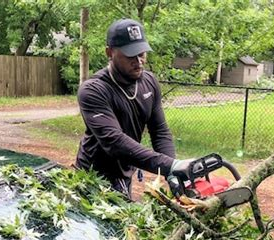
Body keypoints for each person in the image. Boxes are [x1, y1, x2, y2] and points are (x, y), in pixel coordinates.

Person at [75, 18, 193, 199]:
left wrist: (171, 172)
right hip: (92, 179)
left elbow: (159, 131)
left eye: (142, 53)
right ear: (110, 52)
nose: (139, 61)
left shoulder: (150, 82)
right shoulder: (94, 90)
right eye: (130, 55)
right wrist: (171, 165)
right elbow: (114, 142)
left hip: (125, 172)